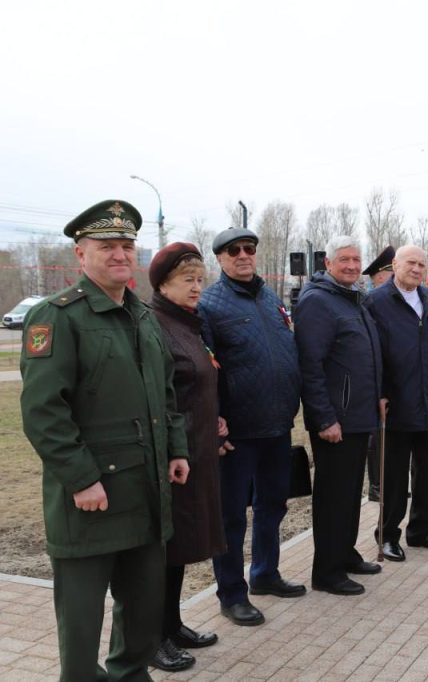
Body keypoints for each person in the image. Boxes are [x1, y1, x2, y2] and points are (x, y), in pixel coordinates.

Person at [20, 200, 190, 680]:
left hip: (146, 490)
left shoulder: (142, 316)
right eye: (107, 246)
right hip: (91, 498)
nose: (119, 254)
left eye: (126, 246)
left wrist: (176, 448)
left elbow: (166, 391)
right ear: (80, 255)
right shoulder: (58, 317)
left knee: (141, 612)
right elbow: (43, 413)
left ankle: (132, 674)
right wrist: (81, 479)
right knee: (81, 619)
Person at [200, 227, 305, 627]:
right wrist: (217, 425)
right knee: (231, 517)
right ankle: (231, 593)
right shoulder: (210, 304)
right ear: (221, 259)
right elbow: (206, 371)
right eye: (234, 251)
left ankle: (265, 573)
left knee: (272, 505)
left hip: (277, 425)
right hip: (238, 433)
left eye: (249, 249)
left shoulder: (269, 296)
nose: (243, 256)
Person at [149, 243, 227, 672]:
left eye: (200, 279)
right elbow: (160, 397)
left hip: (197, 451)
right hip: (170, 459)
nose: (197, 287)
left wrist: (216, 420)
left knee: (182, 547)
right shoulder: (155, 324)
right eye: (187, 280)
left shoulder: (187, 323)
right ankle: (153, 638)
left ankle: (173, 624)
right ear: (163, 283)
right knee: (165, 550)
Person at [293, 235, 384, 596]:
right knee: (333, 496)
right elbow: (310, 366)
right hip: (336, 420)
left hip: (359, 415)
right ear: (327, 264)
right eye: (343, 259)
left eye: (356, 259)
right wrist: (324, 418)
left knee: (350, 493)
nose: (350, 265)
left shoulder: (352, 299)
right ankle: (326, 572)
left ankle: (345, 554)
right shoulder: (318, 302)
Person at [365, 244, 428, 560]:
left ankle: (421, 530)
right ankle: (388, 535)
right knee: (393, 474)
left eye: (422, 264)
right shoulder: (376, 302)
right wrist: (378, 393)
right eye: (411, 263)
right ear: (394, 265)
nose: (417, 269)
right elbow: (371, 356)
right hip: (396, 404)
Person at [360, 245, 395, 501]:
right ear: (381, 275)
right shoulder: (371, 300)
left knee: (388, 436)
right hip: (374, 376)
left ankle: (386, 482)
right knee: (377, 436)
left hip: (391, 376)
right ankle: (376, 485)